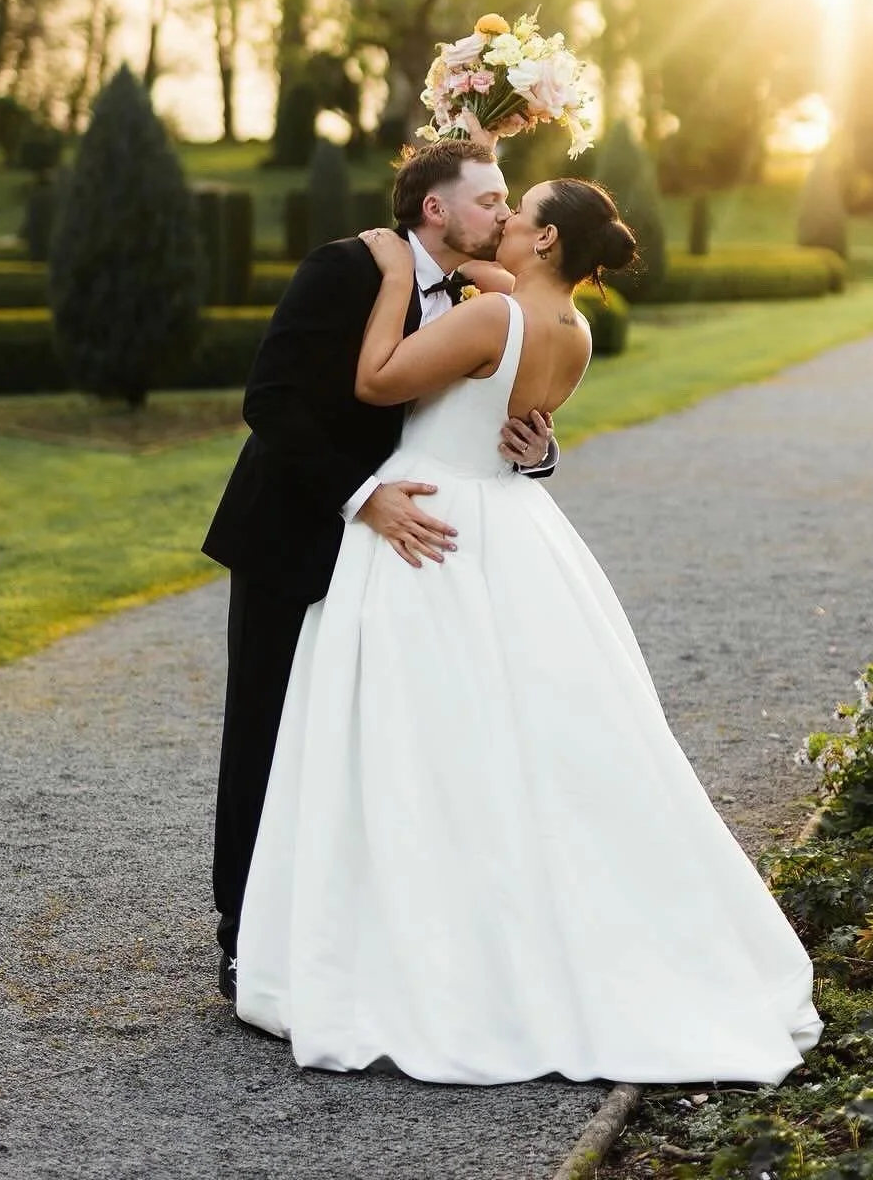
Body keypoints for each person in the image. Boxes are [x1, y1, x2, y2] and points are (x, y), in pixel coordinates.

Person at [233, 177, 822, 1084]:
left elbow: (375, 380)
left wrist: (396, 276)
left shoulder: (483, 318)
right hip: (510, 531)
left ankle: (405, 948)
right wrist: (535, 442)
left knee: (409, 741)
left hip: (427, 525)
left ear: (545, 240)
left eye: (519, 211)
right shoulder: (575, 332)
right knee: (514, 743)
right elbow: (523, 424)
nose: (504, 219)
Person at [202, 139, 558, 1003]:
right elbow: (271, 402)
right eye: (490, 201)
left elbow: (478, 415)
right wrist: (363, 498)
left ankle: (344, 928)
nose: (505, 216)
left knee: (363, 747)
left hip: (399, 565)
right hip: (298, 534)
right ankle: (245, 935)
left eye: (510, 202)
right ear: (434, 209)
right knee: (266, 733)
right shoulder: (343, 269)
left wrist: (538, 451)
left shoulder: (485, 298)